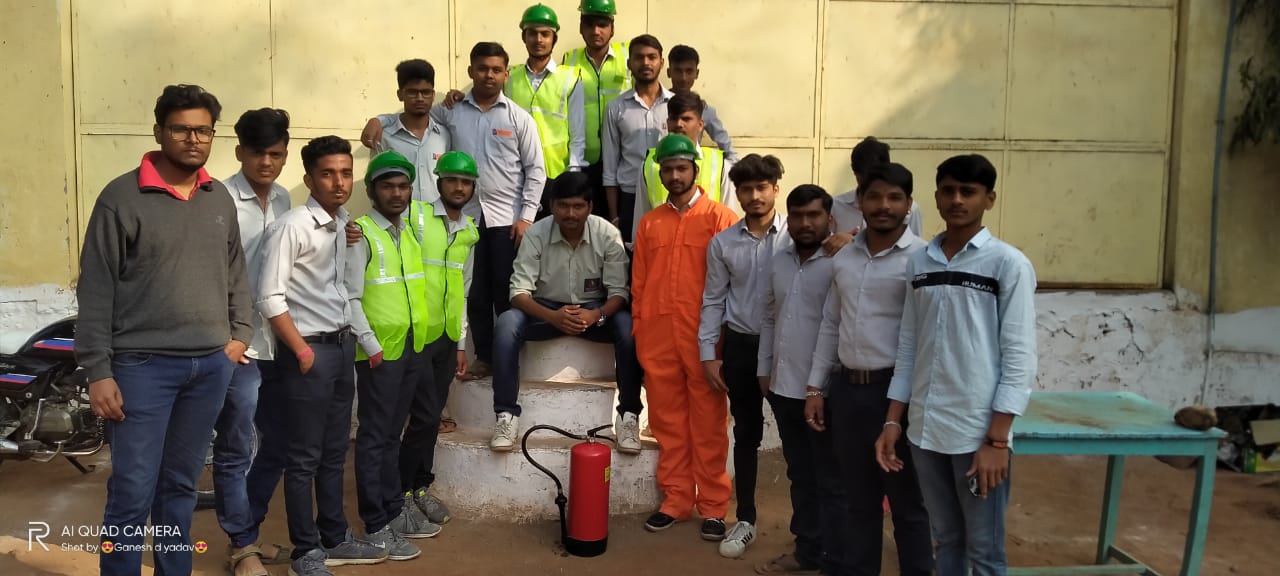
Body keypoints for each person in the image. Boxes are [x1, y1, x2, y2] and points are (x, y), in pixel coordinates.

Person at [76, 84, 252, 576]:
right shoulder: (121, 197)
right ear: (158, 132)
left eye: (203, 131)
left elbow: (236, 273)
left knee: (179, 488)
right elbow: (96, 288)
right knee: (132, 491)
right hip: (141, 369)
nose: (193, 139)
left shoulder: (219, 198)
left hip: (209, 368)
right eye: (181, 129)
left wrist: (240, 334)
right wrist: (98, 371)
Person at [875, 154, 1037, 576]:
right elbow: (909, 346)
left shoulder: (1007, 264)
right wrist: (893, 420)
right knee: (946, 540)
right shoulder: (920, 263)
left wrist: (997, 441)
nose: (957, 200)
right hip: (925, 429)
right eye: (948, 191)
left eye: (969, 192)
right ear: (936, 197)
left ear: (989, 199)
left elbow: (1019, 356)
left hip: (976, 433)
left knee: (984, 552)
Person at [256, 136, 387, 576]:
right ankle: (305, 552)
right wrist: (300, 349)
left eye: (346, 173)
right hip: (309, 352)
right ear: (309, 179)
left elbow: (342, 288)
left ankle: (334, 537)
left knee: (334, 451)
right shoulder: (293, 226)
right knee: (303, 458)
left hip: (341, 346)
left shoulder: (343, 224)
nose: (339, 182)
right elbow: (269, 296)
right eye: (328, 174)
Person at [807, 163, 933, 576]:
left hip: (897, 396)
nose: (884, 206)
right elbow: (831, 322)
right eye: (874, 196)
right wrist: (816, 388)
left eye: (895, 197)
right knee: (858, 502)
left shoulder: (922, 260)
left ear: (909, 204)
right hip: (848, 393)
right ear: (859, 201)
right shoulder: (844, 258)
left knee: (907, 504)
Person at [632, 133, 738, 539]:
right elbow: (639, 283)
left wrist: (721, 342)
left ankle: (713, 505)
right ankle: (676, 499)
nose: (675, 176)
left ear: (695, 170)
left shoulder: (720, 219)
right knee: (667, 423)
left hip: (705, 340)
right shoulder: (650, 223)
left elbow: (732, 285)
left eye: (681, 168)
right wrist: (641, 329)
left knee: (709, 424)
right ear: (660, 173)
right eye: (668, 169)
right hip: (658, 337)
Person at [489, 171, 642, 453]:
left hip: (593, 312)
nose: (570, 214)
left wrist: (596, 315)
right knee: (507, 323)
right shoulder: (535, 234)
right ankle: (506, 415)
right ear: (551, 205)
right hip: (544, 310)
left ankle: (628, 416)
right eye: (563, 205)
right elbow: (518, 293)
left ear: (590, 207)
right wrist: (553, 317)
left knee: (626, 326)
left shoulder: (608, 234)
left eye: (578, 206)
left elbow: (619, 293)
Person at [428, 42, 545, 380]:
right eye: (482, 68)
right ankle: (484, 357)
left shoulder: (518, 118)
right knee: (475, 292)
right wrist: (380, 121)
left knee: (506, 292)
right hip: (465, 217)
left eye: (496, 69)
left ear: (506, 74)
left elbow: (536, 170)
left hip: (507, 220)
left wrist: (526, 217)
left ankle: (509, 358)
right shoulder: (451, 111)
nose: (489, 75)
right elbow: (417, 114)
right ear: (471, 71)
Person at [345, 151, 437, 563]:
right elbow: (350, 297)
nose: (397, 193)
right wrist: (371, 346)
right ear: (371, 191)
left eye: (403, 186)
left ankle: (394, 509)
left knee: (391, 436)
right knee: (375, 437)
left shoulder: (408, 233)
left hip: (411, 346)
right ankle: (376, 524)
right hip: (380, 354)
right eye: (387, 186)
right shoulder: (361, 234)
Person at [696, 153, 788, 558]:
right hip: (741, 346)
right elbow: (713, 299)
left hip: (788, 349)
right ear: (737, 192)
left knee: (797, 439)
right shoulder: (723, 243)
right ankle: (746, 519)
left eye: (762, 187)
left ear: (775, 189)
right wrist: (708, 354)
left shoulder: (796, 237)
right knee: (746, 434)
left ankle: (809, 529)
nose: (754, 196)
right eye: (746, 189)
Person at [218, 107, 294, 576]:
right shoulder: (219, 199)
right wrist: (228, 337)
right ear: (239, 152)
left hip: (277, 341)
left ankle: (247, 530)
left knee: (281, 441)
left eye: (276, 154)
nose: (267, 162)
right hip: (238, 346)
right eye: (258, 153)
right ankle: (243, 546)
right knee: (234, 447)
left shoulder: (284, 198)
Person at [755, 185, 845, 574]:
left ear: (830, 219)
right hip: (783, 387)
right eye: (798, 215)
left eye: (814, 215)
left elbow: (838, 326)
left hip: (826, 392)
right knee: (800, 474)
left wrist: (818, 387)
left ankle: (835, 558)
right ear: (787, 219)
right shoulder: (779, 261)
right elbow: (769, 316)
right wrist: (764, 368)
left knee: (831, 478)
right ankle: (807, 550)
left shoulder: (841, 262)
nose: (805, 223)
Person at [396, 150, 481, 528]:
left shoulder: (469, 231)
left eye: (466, 182)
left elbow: (463, 289)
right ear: (439, 182)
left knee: (429, 419)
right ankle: (401, 493)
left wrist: (461, 344)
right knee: (423, 415)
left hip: (446, 339)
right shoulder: (415, 216)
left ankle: (419, 488)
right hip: (415, 335)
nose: (459, 187)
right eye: (452, 180)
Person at [632, 91, 736, 240]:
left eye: (686, 119)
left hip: (707, 249)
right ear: (667, 123)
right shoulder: (649, 164)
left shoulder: (720, 165)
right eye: (674, 119)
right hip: (662, 246)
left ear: (700, 125)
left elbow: (729, 223)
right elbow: (641, 220)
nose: (679, 124)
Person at [562, 0, 631, 217]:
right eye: (590, 24)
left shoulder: (628, 56)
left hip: (622, 160)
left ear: (612, 28)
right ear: (581, 28)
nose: (596, 31)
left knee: (620, 223)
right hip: (585, 163)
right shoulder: (569, 60)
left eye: (602, 24)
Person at [602, 34, 672, 243]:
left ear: (661, 62)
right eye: (639, 57)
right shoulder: (616, 108)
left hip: (667, 194)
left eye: (652, 57)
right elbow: (610, 167)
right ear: (629, 63)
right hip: (629, 197)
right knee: (632, 257)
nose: (646, 63)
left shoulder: (675, 106)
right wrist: (614, 216)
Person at [509, 3, 586, 187]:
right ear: (524, 37)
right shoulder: (509, 78)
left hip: (556, 174)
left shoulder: (570, 78)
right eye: (532, 33)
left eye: (545, 34)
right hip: (517, 174)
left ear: (554, 39)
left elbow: (578, 133)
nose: (538, 40)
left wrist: (574, 172)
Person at [359, 59, 451, 204]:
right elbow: (376, 181)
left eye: (426, 92)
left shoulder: (444, 136)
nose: (420, 98)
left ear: (433, 95)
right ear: (400, 94)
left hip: (437, 216)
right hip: (398, 216)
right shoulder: (384, 136)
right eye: (412, 92)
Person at [824, 136, 924, 254]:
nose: (883, 206)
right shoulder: (834, 205)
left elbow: (916, 251)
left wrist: (853, 241)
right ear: (855, 173)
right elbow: (822, 247)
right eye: (864, 180)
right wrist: (836, 239)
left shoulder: (912, 209)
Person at [666, 44, 735, 160]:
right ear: (669, 72)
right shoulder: (657, 105)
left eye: (689, 71)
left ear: (696, 73)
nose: (683, 78)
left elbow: (728, 149)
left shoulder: (704, 109)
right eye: (678, 71)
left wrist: (729, 168)